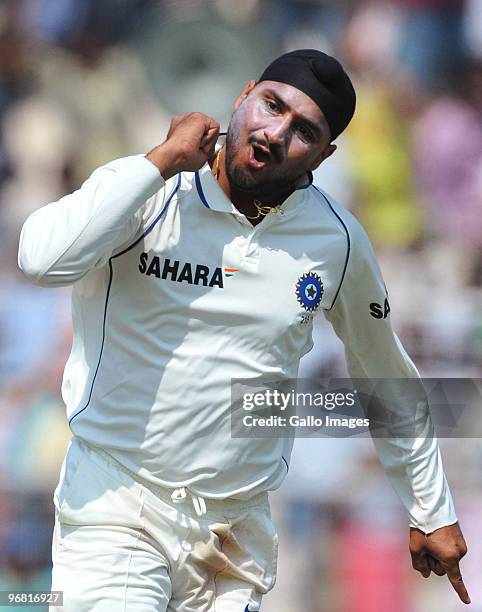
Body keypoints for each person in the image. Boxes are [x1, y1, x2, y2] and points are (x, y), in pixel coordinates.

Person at [18, 49, 469, 611]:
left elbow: (386, 376)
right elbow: (40, 261)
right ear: (244, 95)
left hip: (234, 534)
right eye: (271, 105)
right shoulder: (152, 188)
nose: (276, 132)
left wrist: (433, 510)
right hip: (118, 504)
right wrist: (158, 161)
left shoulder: (337, 240)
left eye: (303, 129)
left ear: (324, 155)